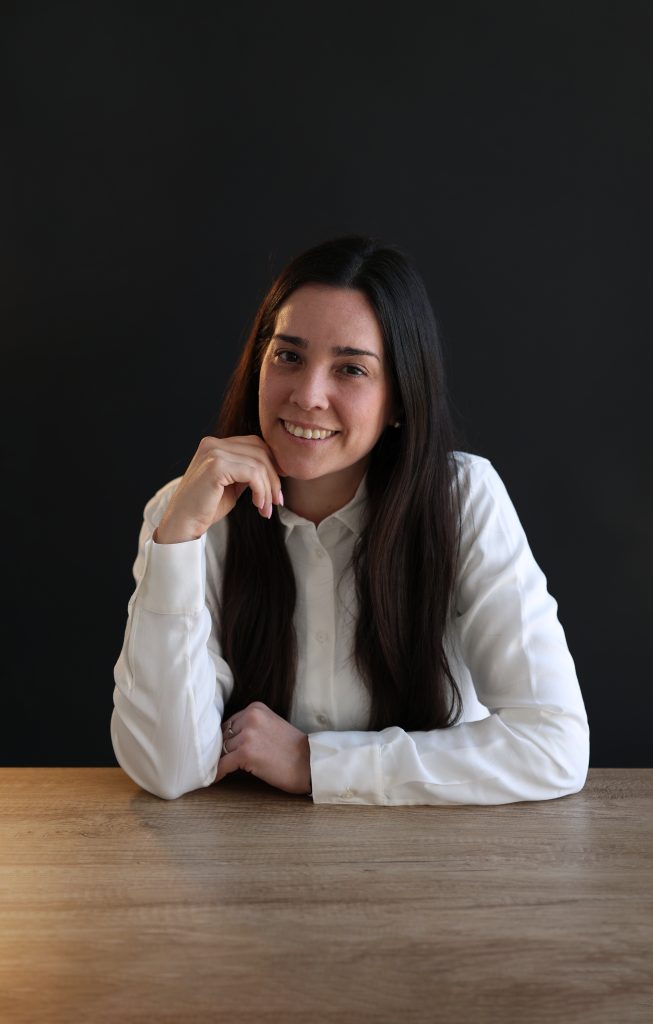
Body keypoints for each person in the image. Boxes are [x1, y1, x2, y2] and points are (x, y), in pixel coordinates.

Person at [111, 235, 589, 804]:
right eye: (289, 356)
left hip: (443, 850)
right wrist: (177, 542)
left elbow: (553, 745)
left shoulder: (462, 499)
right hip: (250, 852)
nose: (308, 395)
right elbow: (166, 769)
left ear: (400, 400)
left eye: (351, 369)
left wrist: (317, 764)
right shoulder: (186, 514)